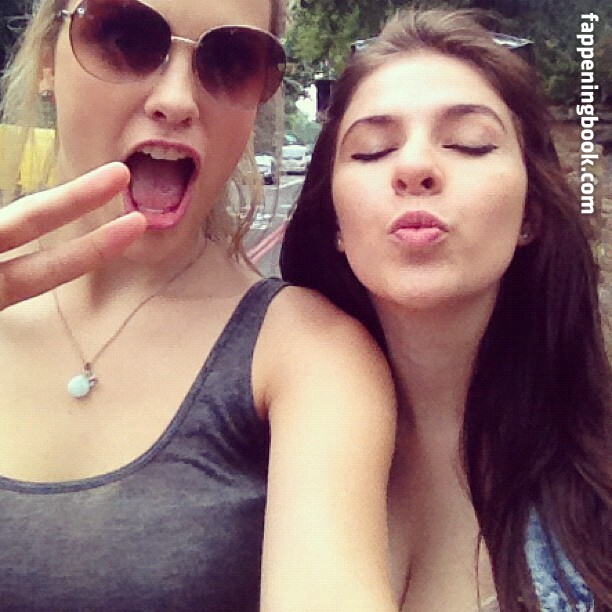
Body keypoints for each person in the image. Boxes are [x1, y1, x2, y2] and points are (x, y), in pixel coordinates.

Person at [0, 1, 398, 610]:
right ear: (49, 58)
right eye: (125, 37)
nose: (177, 100)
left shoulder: (307, 356)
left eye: (231, 59)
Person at [281, 8, 611, 612]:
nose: (414, 167)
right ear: (334, 223)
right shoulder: (245, 454)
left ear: (532, 214)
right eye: (373, 151)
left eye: (469, 143)